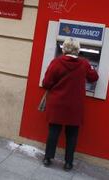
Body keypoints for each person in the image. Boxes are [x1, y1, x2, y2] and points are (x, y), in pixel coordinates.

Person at [41, 38, 98, 170]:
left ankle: (48, 158)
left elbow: (46, 83)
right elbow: (94, 77)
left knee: (54, 131)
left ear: (63, 49)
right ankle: (68, 163)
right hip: (74, 106)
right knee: (72, 134)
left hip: (57, 103)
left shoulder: (56, 62)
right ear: (78, 50)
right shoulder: (84, 63)